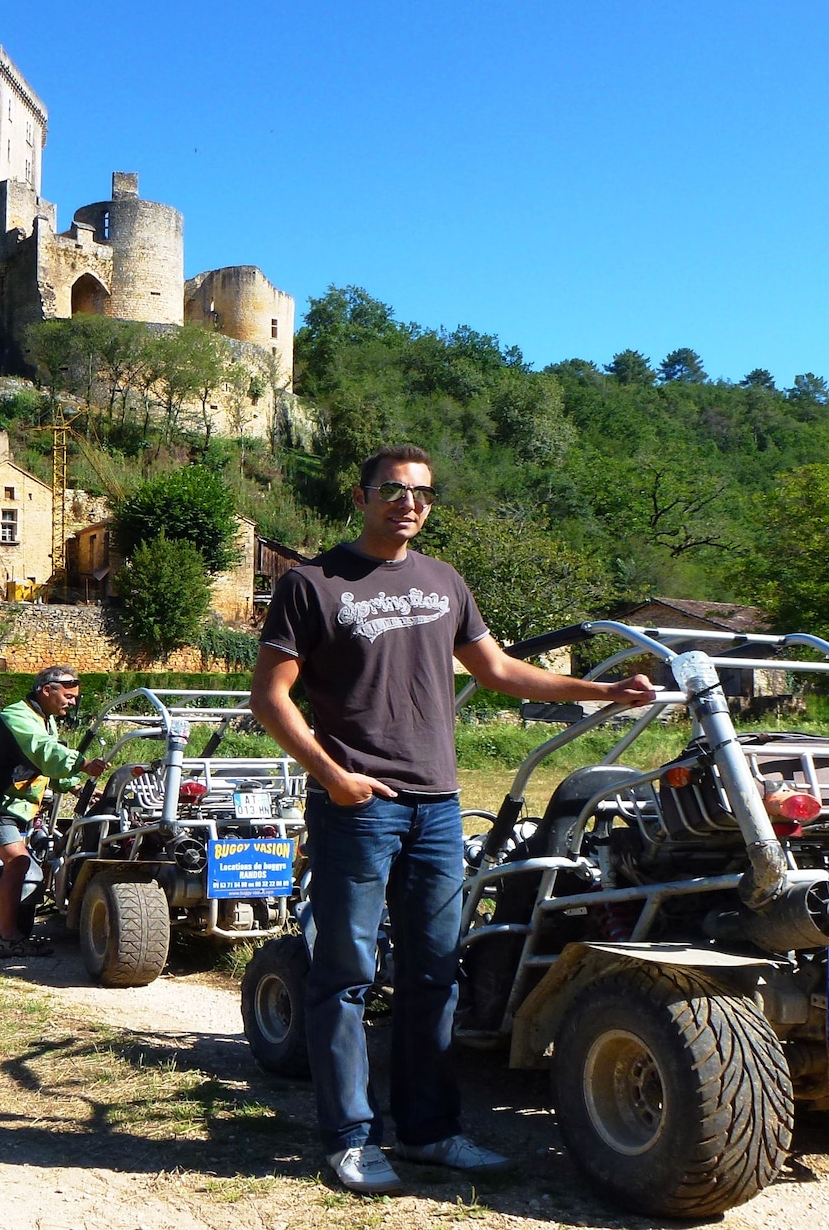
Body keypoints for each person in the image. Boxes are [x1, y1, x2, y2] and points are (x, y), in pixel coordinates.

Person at [249, 444, 658, 1195]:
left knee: (435, 972)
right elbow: (270, 699)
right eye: (393, 490)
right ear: (362, 495)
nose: (409, 503)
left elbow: (499, 671)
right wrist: (334, 776)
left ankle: (431, 1131)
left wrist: (600, 692)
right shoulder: (312, 584)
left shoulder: (444, 582)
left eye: (422, 493)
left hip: (436, 804)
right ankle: (349, 1137)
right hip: (359, 806)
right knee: (346, 972)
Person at [0, 666, 108, 958]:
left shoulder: (44, 719)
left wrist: (75, 787)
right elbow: (43, 750)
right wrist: (83, 763)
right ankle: (9, 938)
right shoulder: (17, 716)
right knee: (18, 863)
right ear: (47, 691)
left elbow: (46, 763)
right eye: (68, 696)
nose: (72, 702)